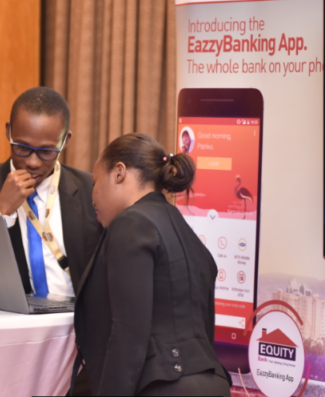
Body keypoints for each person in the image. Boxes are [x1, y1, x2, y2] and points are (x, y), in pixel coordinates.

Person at [0, 87, 101, 396]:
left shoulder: (92, 191)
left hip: (78, 340)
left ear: (65, 140)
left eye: (46, 151)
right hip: (8, 342)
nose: (32, 162)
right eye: (22, 148)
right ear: (8, 131)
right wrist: (0, 213)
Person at [72, 133, 232, 396]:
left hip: (163, 387)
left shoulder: (131, 223)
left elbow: (128, 335)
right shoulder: (188, 235)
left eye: (95, 182)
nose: (93, 197)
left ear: (119, 172)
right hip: (214, 384)